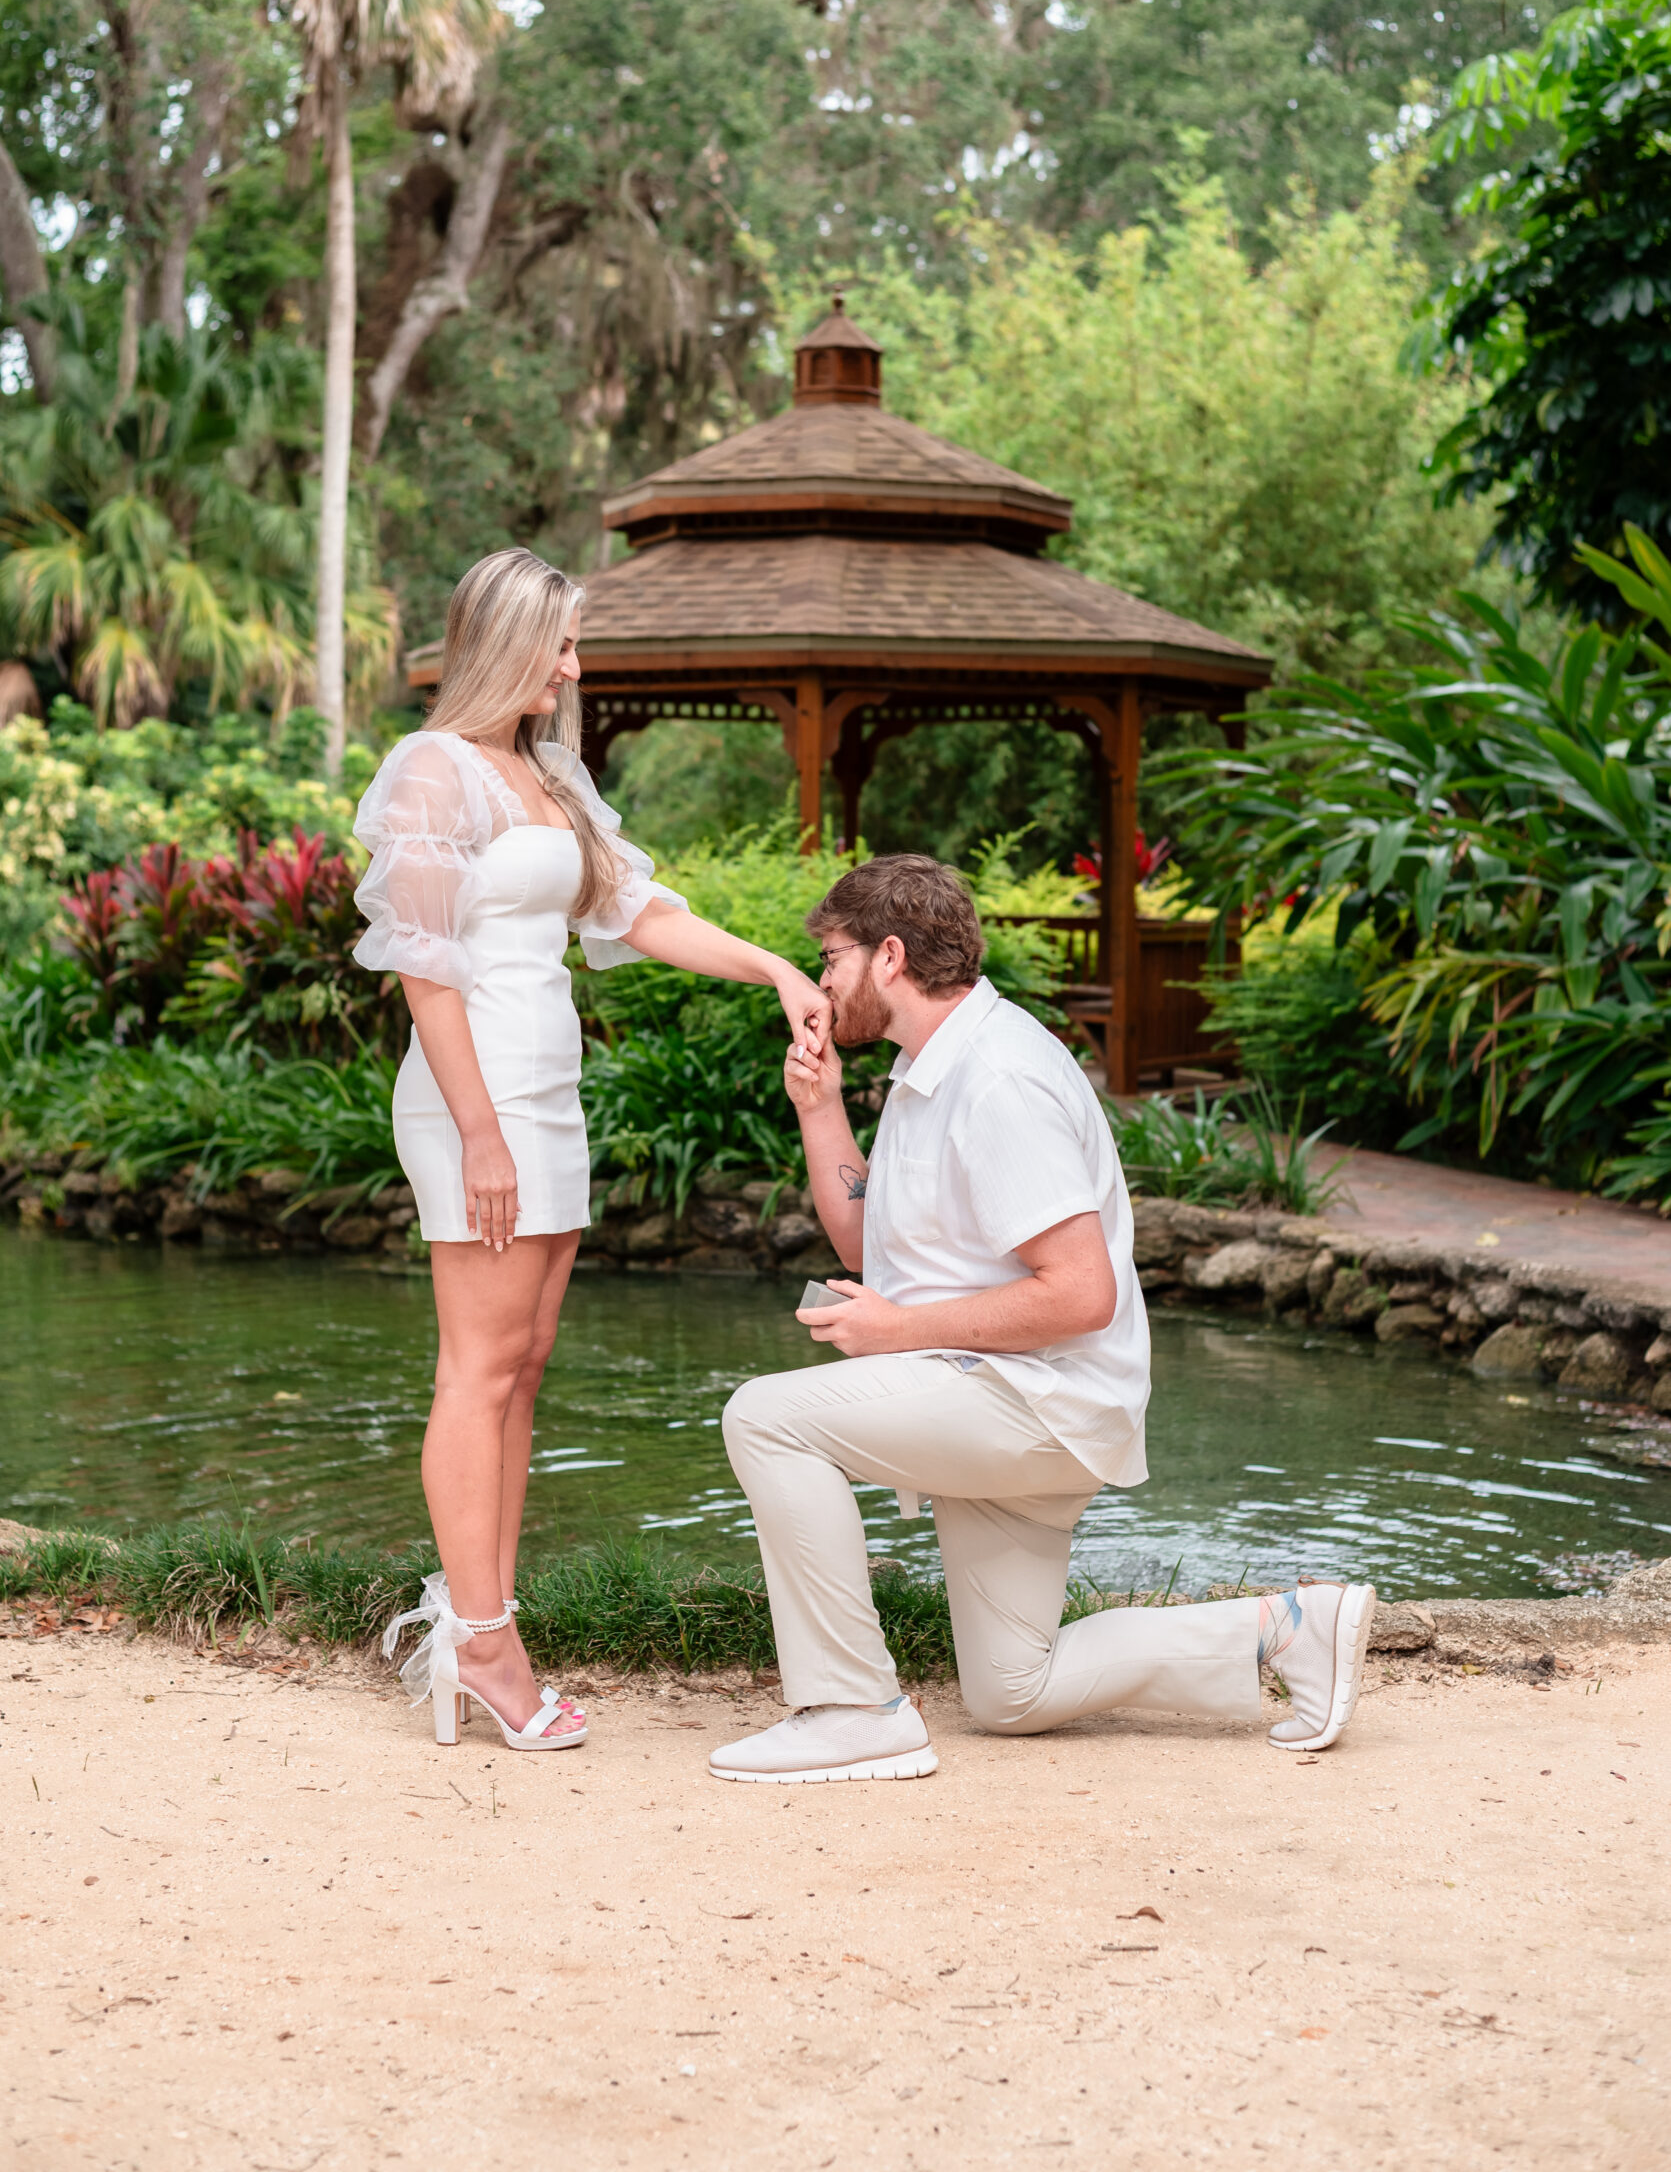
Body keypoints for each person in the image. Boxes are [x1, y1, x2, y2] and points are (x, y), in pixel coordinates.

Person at [709, 853, 1375, 1785]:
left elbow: (1078, 1295)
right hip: (1005, 1397)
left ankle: (852, 1708)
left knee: (765, 1416)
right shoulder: (930, 1066)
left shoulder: (999, 1080)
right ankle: (1289, 1630)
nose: (820, 980)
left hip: (1039, 1400)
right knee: (1011, 1691)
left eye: (829, 956)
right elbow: (870, 1247)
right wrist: (818, 1109)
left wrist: (895, 1331)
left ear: (888, 955)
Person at [354, 548, 825, 1754]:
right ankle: (484, 1644)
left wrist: (772, 965)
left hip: (546, 1089)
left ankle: (483, 1620)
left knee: (524, 1361)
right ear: (505, 644)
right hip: (477, 1097)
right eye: (558, 645)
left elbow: (637, 911)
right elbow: (423, 966)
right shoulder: (433, 772)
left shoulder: (548, 774)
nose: (573, 667)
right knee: (478, 1364)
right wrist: (479, 1135)